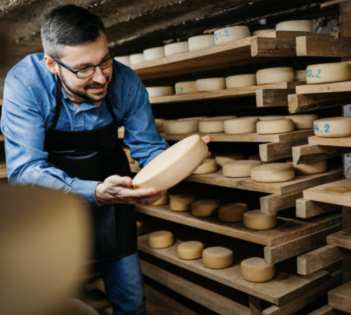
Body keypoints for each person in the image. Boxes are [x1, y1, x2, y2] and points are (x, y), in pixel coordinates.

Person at [1, 4, 210, 315]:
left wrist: (176, 163)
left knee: (131, 301)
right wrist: (94, 191)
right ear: (51, 64)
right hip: (49, 201)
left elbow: (149, 148)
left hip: (114, 196)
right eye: (84, 68)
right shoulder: (26, 85)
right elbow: (26, 170)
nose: (101, 77)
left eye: (105, 60)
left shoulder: (125, 82)